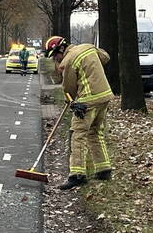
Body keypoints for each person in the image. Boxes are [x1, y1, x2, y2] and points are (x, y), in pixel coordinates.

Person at [44, 36, 113, 190]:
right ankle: (103, 169)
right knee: (95, 132)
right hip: (104, 96)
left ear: (61, 48)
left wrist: (72, 102)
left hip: (87, 101)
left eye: (55, 55)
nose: (56, 58)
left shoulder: (67, 61)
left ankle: (77, 175)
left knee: (78, 135)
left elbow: (68, 88)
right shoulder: (88, 47)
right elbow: (105, 57)